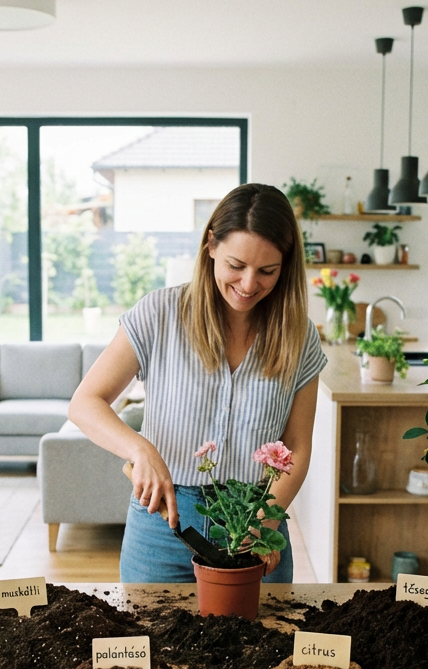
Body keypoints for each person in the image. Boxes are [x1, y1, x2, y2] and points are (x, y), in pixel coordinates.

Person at [68, 182, 327, 583]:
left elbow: (298, 447)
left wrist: (264, 526)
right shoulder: (160, 313)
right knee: (155, 643)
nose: (248, 284)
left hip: (255, 523)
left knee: (265, 646)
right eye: (236, 265)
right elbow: (86, 402)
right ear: (210, 246)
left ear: (286, 266)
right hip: (162, 526)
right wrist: (140, 450)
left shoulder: (299, 335)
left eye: (267, 271)